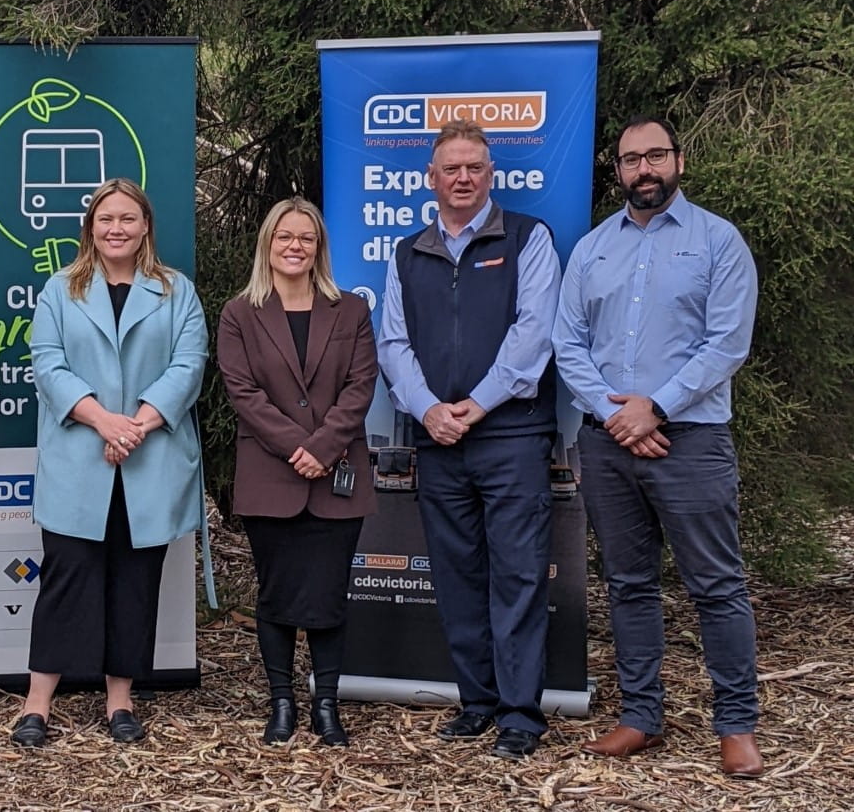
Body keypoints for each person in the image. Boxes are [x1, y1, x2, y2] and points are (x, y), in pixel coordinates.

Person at [554, 115, 762, 777]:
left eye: (656, 156)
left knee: (717, 585)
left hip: (691, 439)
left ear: (678, 161)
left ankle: (736, 723)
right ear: (616, 170)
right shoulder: (591, 250)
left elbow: (728, 342)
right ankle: (641, 715)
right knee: (628, 582)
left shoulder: (719, 242)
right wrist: (616, 416)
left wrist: (656, 407)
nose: (644, 169)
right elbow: (568, 342)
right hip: (608, 442)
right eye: (630, 159)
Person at [376, 120, 560, 759]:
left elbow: (534, 334)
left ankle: (519, 716)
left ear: (491, 174)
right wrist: (429, 411)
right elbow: (392, 344)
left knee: (517, 575)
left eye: (474, 167)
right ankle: (477, 702)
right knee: (456, 577)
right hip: (438, 441)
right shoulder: (408, 253)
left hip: (511, 435)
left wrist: (475, 407)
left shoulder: (528, 239)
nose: (462, 178)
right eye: (450, 168)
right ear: (430, 178)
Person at [8, 178, 207, 747]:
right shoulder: (59, 291)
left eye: (127, 218)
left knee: (134, 584)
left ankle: (120, 702)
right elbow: (48, 366)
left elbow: (188, 366)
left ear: (146, 226)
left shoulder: (176, 292)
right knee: (65, 581)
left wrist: (137, 423)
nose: (116, 228)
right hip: (81, 459)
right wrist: (105, 421)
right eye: (105, 219)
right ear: (90, 227)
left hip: (150, 461)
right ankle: (36, 704)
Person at [218, 198, 377, 746]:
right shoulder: (240, 313)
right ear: (268, 243)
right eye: (284, 236)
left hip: (337, 476)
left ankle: (326, 704)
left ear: (319, 248)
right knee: (277, 596)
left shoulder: (351, 310)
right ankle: (282, 702)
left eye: (306, 238)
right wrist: (296, 448)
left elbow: (360, 387)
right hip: (271, 477)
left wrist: (325, 447)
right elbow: (243, 392)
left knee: (330, 596)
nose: (295, 246)